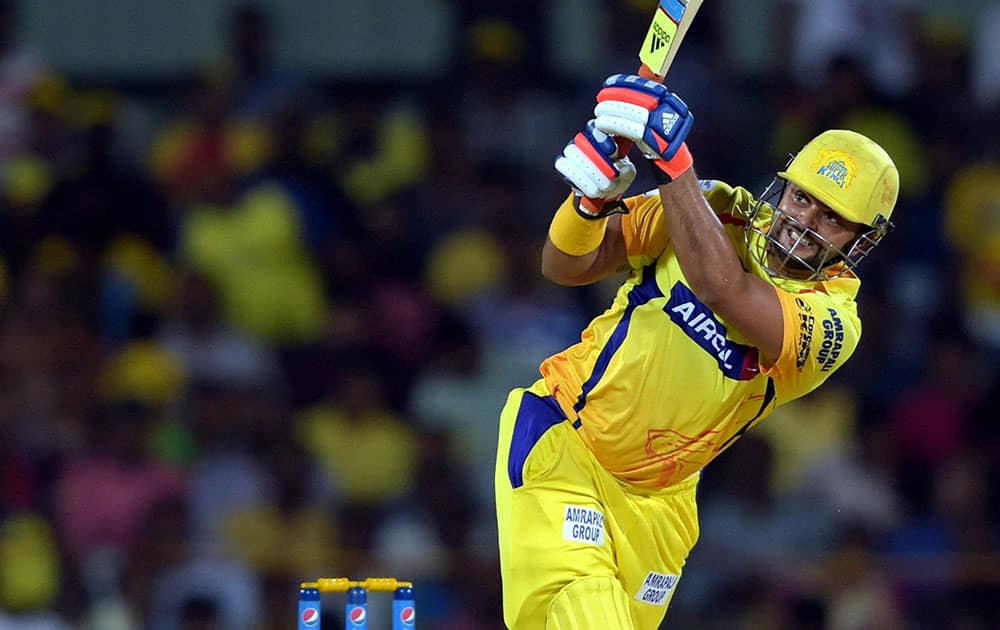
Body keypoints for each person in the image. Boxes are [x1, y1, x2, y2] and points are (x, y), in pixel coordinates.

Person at [493, 73, 899, 629]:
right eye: (802, 198)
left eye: (831, 218)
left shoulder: (833, 324)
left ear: (862, 241)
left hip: (662, 505)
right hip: (568, 445)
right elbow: (564, 265)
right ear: (781, 187)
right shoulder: (713, 208)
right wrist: (587, 203)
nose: (804, 222)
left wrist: (675, 165)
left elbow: (723, 289)